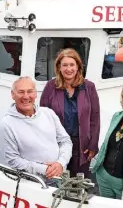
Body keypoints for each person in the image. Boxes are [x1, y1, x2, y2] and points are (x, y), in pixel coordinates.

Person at [0, 76, 73, 186]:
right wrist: (44, 169)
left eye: (30, 91)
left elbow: (65, 141)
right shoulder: (6, 125)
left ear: (36, 93)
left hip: (59, 176)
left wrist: (60, 163)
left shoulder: (48, 113)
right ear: (13, 95)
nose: (26, 96)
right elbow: (12, 160)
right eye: (21, 92)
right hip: (31, 183)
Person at [40, 48, 100, 179]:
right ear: (59, 68)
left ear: (78, 66)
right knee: (59, 180)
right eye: (65, 65)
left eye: (72, 65)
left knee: (79, 182)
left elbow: (95, 118)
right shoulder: (50, 87)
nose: (68, 69)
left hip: (82, 145)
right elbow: (42, 117)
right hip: (58, 144)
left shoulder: (89, 87)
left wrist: (93, 145)